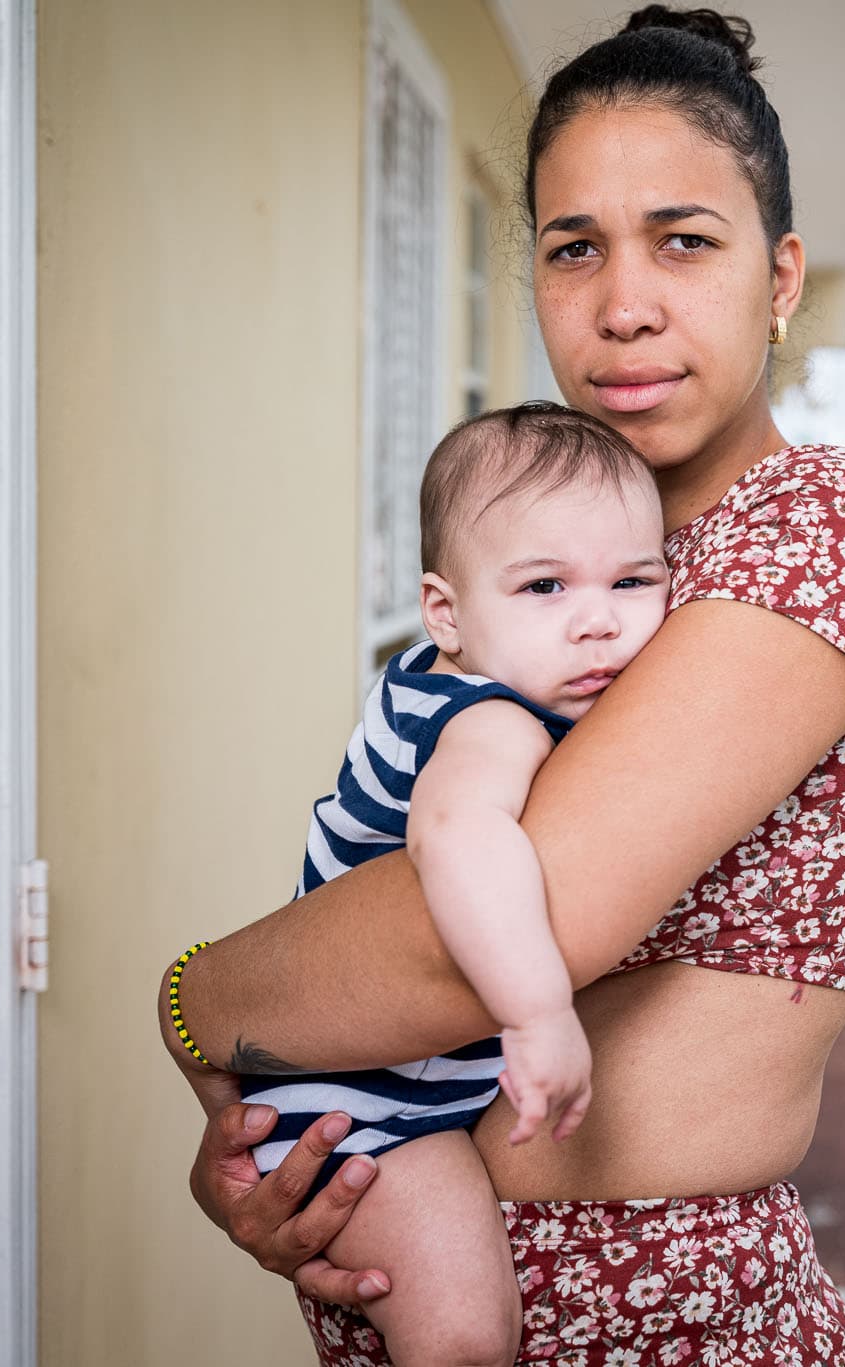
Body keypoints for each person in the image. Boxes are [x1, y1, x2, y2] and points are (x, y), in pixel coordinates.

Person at [159, 7, 845, 1363]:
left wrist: (194, 1000)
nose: (624, 301)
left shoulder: (819, 527)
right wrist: (268, 1131)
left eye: (684, 240)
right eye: (575, 247)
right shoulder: (560, 562)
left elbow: (479, 927)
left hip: (672, 1321)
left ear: (782, 275)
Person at [168, 402, 671, 1364]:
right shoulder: (489, 719)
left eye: (634, 579)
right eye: (545, 586)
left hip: (385, 1079)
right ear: (447, 611)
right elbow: (458, 835)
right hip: (363, 1106)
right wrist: (536, 1013)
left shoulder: (466, 675)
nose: (599, 618)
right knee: (464, 1338)